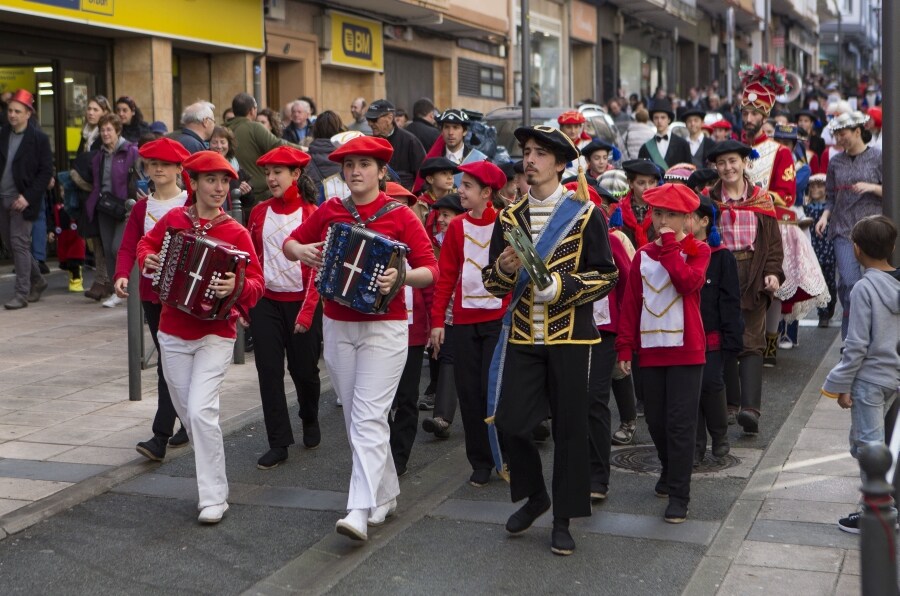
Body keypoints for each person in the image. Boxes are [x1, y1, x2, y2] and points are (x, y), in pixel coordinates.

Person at [283, 135, 438, 542]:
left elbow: (431, 270)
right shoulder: (333, 210)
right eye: (349, 165)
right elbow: (289, 243)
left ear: (381, 171)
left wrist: (401, 275)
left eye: (364, 165)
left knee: (368, 417)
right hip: (337, 324)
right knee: (358, 419)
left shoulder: (401, 216)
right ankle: (385, 492)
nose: (355, 172)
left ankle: (358, 508)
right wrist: (302, 251)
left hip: (385, 327)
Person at [482, 126, 618, 556]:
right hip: (523, 336)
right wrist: (504, 270)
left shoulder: (585, 213)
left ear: (561, 164)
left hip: (572, 339)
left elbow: (606, 276)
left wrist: (560, 287)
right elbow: (491, 282)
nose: (530, 160)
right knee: (510, 423)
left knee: (570, 430)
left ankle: (562, 518)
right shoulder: (508, 218)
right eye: (526, 152)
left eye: (541, 153)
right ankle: (536, 495)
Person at [136, 150, 265, 524]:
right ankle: (215, 479)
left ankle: (213, 496)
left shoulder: (235, 231)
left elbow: (257, 282)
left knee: (201, 410)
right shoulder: (176, 219)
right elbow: (147, 244)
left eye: (225, 181)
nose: (219, 188)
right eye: (212, 180)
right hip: (173, 331)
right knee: (190, 414)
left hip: (215, 334)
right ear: (195, 183)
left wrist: (235, 286)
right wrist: (149, 259)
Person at [616, 183, 710, 523]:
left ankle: (680, 495)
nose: (663, 220)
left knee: (680, 424)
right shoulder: (641, 254)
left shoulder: (699, 250)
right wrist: (624, 345)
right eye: (658, 213)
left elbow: (687, 284)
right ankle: (669, 470)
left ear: (687, 218)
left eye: (672, 214)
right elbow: (631, 302)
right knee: (655, 420)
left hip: (687, 351)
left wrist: (671, 245)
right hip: (650, 349)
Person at [429, 161, 509, 487]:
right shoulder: (458, 228)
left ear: (486, 193)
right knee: (469, 392)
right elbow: (446, 276)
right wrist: (438, 322)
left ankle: (502, 453)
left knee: (494, 392)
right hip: (463, 322)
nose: (459, 191)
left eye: (467, 187)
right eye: (460, 185)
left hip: (498, 322)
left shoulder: (506, 225)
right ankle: (479, 461)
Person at [114, 138, 191, 460]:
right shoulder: (143, 207)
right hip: (152, 294)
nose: (157, 169)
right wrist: (121, 274)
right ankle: (179, 425)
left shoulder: (191, 202)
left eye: (164, 164)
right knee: (169, 361)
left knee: (172, 363)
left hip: (186, 295)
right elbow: (129, 245)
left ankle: (162, 434)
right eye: (152, 164)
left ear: (178, 168)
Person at [246, 146, 322, 470]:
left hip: (303, 303)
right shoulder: (258, 213)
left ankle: (309, 415)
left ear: (296, 175)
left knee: (304, 371)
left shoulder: (313, 213)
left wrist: (306, 313)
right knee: (269, 372)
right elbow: (250, 261)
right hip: (267, 303)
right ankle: (278, 442)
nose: (272, 178)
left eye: (278, 172)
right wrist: (244, 303)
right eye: (268, 172)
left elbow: (319, 271)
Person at [822, 215, 899, 534]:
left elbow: (856, 345)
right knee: (872, 443)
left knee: (868, 447)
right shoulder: (896, 285)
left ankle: (877, 511)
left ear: (855, 249)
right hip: (892, 377)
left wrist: (839, 384)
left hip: (868, 379)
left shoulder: (864, 288)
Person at [706, 140, 784, 435]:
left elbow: (773, 244)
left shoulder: (762, 199)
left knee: (752, 339)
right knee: (724, 338)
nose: (727, 168)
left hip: (752, 272)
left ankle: (750, 409)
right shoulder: (709, 201)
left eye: (732, 161)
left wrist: (773, 272)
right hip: (720, 272)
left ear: (745, 163)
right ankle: (729, 403)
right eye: (721, 163)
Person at [582, 181, 635, 499]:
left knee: (595, 399)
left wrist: (626, 342)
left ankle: (599, 478)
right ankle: (577, 470)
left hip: (604, 331)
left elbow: (630, 291)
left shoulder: (613, 243)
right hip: (567, 330)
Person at [814, 111, 883, 340]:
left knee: (876, 283)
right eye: (836, 134)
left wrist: (872, 187)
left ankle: (874, 336)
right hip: (843, 229)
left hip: (873, 228)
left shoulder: (879, 157)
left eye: (842, 134)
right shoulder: (835, 161)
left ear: (857, 131)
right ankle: (849, 339)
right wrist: (825, 216)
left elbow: (891, 190)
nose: (839, 139)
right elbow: (831, 197)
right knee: (849, 283)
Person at [690, 194, 742, 463]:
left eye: (689, 216)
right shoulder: (677, 253)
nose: (683, 221)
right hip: (684, 337)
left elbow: (731, 301)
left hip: (712, 338)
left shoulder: (721, 257)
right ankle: (696, 445)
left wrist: (733, 339)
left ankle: (719, 436)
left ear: (704, 221)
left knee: (711, 383)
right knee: (690, 390)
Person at [0, 89, 52, 310]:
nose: (12, 115)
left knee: (20, 244)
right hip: (2, 198)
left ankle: (21, 293)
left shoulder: (39, 139)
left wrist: (28, 197)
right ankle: (38, 279)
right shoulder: (3, 133)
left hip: (23, 199)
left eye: (17, 111)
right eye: (10, 110)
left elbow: (45, 172)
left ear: (28, 113)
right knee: (11, 244)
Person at [419, 191, 466, 437]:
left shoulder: (478, 237)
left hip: (479, 314)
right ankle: (442, 419)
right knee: (447, 360)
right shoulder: (436, 242)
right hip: (450, 314)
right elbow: (440, 283)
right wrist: (436, 321)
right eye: (441, 216)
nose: (442, 221)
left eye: (447, 215)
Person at [86, 113, 139, 308]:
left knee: (119, 247)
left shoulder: (131, 151)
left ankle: (132, 286)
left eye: (109, 129)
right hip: (104, 207)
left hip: (126, 207)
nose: (105, 133)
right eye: (102, 130)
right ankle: (118, 290)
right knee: (108, 250)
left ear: (117, 130)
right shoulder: (100, 155)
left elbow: (138, 177)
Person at [226, 93, 299, 210]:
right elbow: (277, 145)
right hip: (258, 195)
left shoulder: (224, 129)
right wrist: (302, 149)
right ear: (252, 111)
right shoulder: (254, 127)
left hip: (229, 195)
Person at [366, 99, 426, 190]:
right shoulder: (369, 142)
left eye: (374, 120)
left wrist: (412, 197)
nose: (369, 123)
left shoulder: (410, 141)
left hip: (404, 198)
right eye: (368, 119)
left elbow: (422, 174)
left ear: (390, 118)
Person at [804, 174, 837, 327]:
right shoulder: (806, 208)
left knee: (830, 281)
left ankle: (831, 305)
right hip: (813, 248)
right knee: (818, 282)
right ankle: (822, 313)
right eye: (812, 186)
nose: (815, 189)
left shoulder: (831, 209)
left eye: (820, 186)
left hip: (829, 248)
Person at [619, 158, 662, 249]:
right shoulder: (618, 210)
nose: (647, 187)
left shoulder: (663, 209)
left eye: (651, 182)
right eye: (641, 183)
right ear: (630, 183)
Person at [304, 111, 344, 204]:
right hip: (341, 212)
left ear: (315, 130)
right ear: (339, 130)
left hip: (314, 212)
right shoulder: (346, 159)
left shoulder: (304, 160)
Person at [639, 99, 692, 169]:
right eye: (656, 118)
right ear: (653, 120)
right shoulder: (645, 148)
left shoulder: (683, 144)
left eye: (663, 117)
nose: (659, 121)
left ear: (669, 119)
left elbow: (688, 171)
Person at [558, 110, 591, 178]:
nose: (573, 131)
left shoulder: (587, 144)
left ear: (580, 127)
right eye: (569, 127)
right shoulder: (556, 145)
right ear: (561, 128)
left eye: (576, 127)